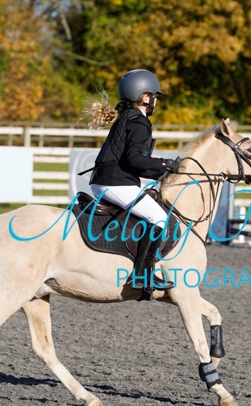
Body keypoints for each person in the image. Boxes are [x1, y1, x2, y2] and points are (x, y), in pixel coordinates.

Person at [84, 69, 180, 295]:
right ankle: (141, 275)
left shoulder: (127, 116)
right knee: (158, 218)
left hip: (108, 179)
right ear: (144, 96)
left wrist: (160, 172)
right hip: (115, 183)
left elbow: (132, 163)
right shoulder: (139, 122)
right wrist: (165, 164)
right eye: (154, 96)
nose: (156, 101)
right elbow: (134, 159)